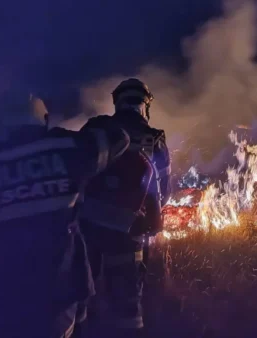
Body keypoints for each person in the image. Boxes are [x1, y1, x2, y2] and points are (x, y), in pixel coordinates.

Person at [0, 87, 130, 338]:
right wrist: (97, 123)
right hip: (55, 300)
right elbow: (118, 137)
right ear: (43, 121)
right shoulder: (65, 150)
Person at [79, 78, 171, 337]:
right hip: (130, 233)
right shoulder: (154, 139)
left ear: (117, 102)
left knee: (80, 298)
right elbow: (163, 189)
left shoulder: (97, 128)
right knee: (127, 306)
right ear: (145, 105)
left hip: (88, 228)